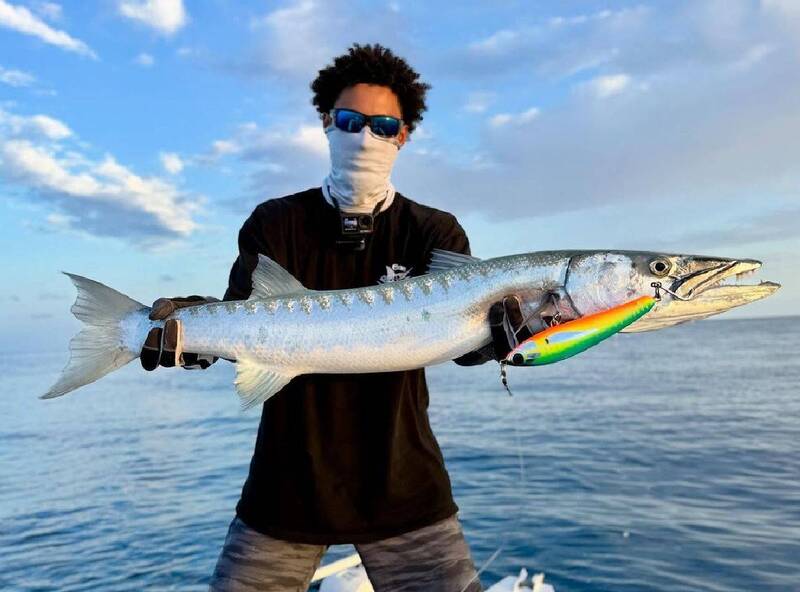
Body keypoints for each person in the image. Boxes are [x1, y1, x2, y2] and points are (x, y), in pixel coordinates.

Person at [140, 43, 533, 592]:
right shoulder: (276, 222)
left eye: (383, 125)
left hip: (405, 487)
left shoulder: (433, 231)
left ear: (403, 135)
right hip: (285, 488)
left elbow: (463, 344)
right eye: (350, 121)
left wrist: (505, 340)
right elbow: (240, 325)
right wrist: (189, 335)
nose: (365, 136)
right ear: (327, 122)